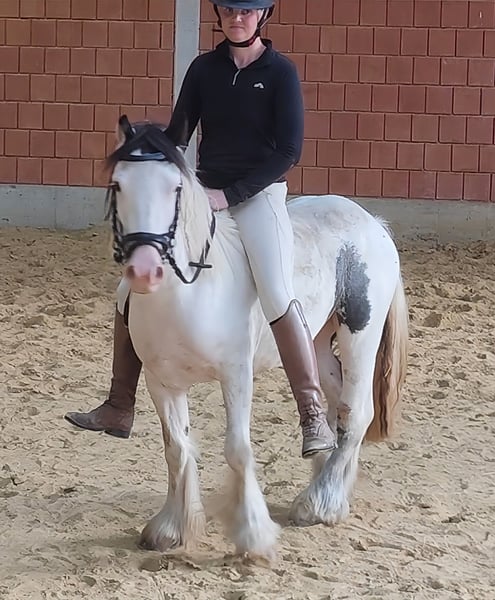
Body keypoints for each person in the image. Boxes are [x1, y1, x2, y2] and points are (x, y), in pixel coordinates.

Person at [65, 0, 336, 458]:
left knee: (275, 289)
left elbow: (289, 151)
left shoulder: (280, 73)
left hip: (259, 197)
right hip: (204, 194)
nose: (237, 18)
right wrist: (143, 149)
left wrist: (232, 195)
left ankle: (311, 411)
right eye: (229, 10)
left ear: (262, 16)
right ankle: (119, 404)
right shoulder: (203, 69)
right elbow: (178, 137)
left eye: (246, 11)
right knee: (127, 289)